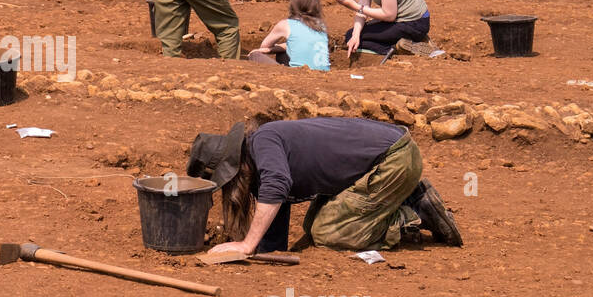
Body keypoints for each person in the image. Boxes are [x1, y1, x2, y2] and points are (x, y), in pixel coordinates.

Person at [188, 117, 463, 254]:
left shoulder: (263, 141)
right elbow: (275, 207)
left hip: (395, 159)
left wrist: (247, 245)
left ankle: (411, 214)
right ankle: (403, 196)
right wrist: (264, 250)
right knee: (311, 227)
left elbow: (277, 186)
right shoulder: (263, 154)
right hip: (386, 157)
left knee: (327, 232)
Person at [247, 0, 331, 70]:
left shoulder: (286, 24)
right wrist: (280, 47)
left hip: (301, 75)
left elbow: (264, 46)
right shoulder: (321, 25)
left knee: (255, 55)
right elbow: (302, 45)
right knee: (283, 54)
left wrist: (271, 49)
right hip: (324, 73)